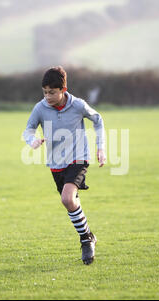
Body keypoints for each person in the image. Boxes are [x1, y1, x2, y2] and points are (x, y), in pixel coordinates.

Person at [22, 66, 106, 265]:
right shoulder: (40, 108)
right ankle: (88, 235)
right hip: (56, 163)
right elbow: (28, 130)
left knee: (67, 198)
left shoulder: (78, 105)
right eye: (45, 92)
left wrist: (100, 148)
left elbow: (98, 120)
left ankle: (85, 241)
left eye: (52, 92)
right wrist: (31, 140)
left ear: (63, 89)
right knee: (70, 202)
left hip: (78, 158)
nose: (48, 97)